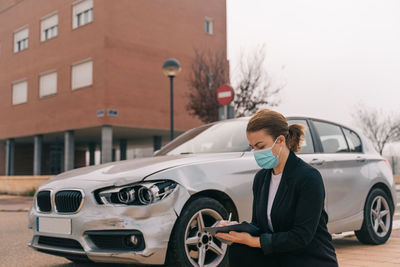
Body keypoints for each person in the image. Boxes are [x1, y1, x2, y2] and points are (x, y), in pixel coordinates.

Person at [215, 109, 338, 267]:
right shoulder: (261, 178)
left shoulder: (308, 178)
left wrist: (255, 241)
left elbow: (301, 236)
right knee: (239, 248)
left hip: (307, 258)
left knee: (248, 246)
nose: (256, 153)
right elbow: (260, 225)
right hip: (278, 256)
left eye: (260, 146)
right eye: (252, 147)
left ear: (280, 140)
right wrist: (238, 229)